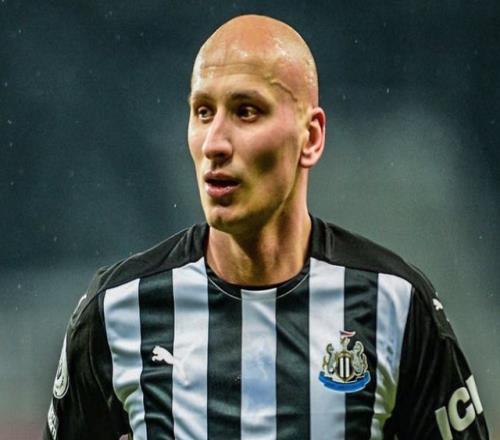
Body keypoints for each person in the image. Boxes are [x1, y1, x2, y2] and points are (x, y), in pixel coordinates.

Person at [44, 14, 489, 440]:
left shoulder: (395, 305)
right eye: (203, 111)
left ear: (311, 137)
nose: (214, 143)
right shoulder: (118, 308)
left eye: (246, 111)